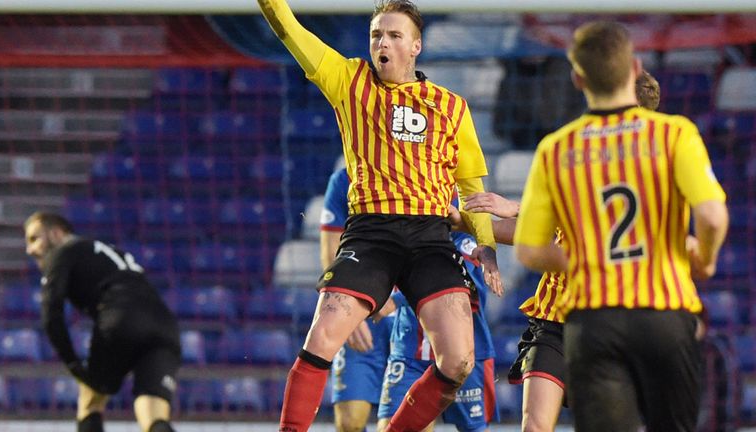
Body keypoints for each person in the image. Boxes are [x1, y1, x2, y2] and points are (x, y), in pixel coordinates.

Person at [256, 1, 503, 431]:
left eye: (393, 35)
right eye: (376, 35)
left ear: (416, 46)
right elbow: (288, 28)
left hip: (430, 239)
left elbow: (472, 189)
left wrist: (487, 248)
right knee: (323, 333)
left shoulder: (451, 107)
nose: (382, 43)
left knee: (459, 359)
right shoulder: (348, 80)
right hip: (371, 236)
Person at [513, 21, 729, 432]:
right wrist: (705, 258)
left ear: (577, 78)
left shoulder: (557, 149)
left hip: (594, 320)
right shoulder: (674, 134)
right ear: (635, 67)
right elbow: (714, 215)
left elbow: (528, 250)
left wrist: (587, 259)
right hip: (664, 314)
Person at [23, 212, 181, 432]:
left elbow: (51, 313)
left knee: (91, 402)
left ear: (57, 233)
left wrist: (74, 365)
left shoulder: (63, 252)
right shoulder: (105, 251)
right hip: (165, 327)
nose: (30, 249)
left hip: (120, 317)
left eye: (34, 238)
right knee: (153, 414)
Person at [375, 227, 502, 432]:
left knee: (473, 428)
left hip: (465, 353)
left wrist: (395, 301)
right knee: (391, 426)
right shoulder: (399, 232)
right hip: (409, 353)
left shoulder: (464, 242)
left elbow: (464, 285)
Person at [322, 168, 394, 432]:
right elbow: (331, 253)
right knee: (349, 423)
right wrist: (346, 315)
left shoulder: (426, 174)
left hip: (409, 317)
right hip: (361, 313)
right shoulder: (345, 180)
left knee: (408, 424)